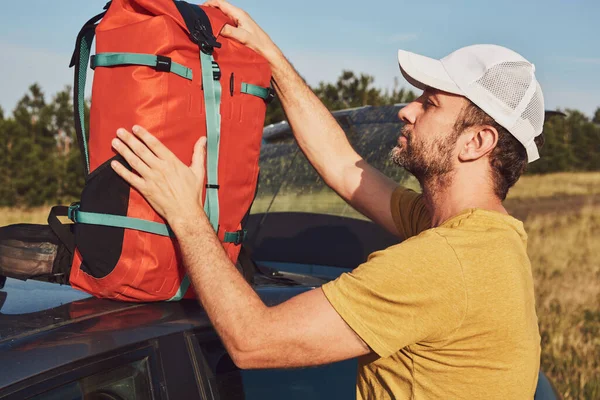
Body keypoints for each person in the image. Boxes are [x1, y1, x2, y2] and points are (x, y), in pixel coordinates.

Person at [108, 1, 544, 398]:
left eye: (429, 104)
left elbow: (255, 342)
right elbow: (340, 164)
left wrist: (186, 213)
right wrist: (271, 57)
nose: (407, 111)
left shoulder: (445, 262)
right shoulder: (482, 238)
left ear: (477, 141)